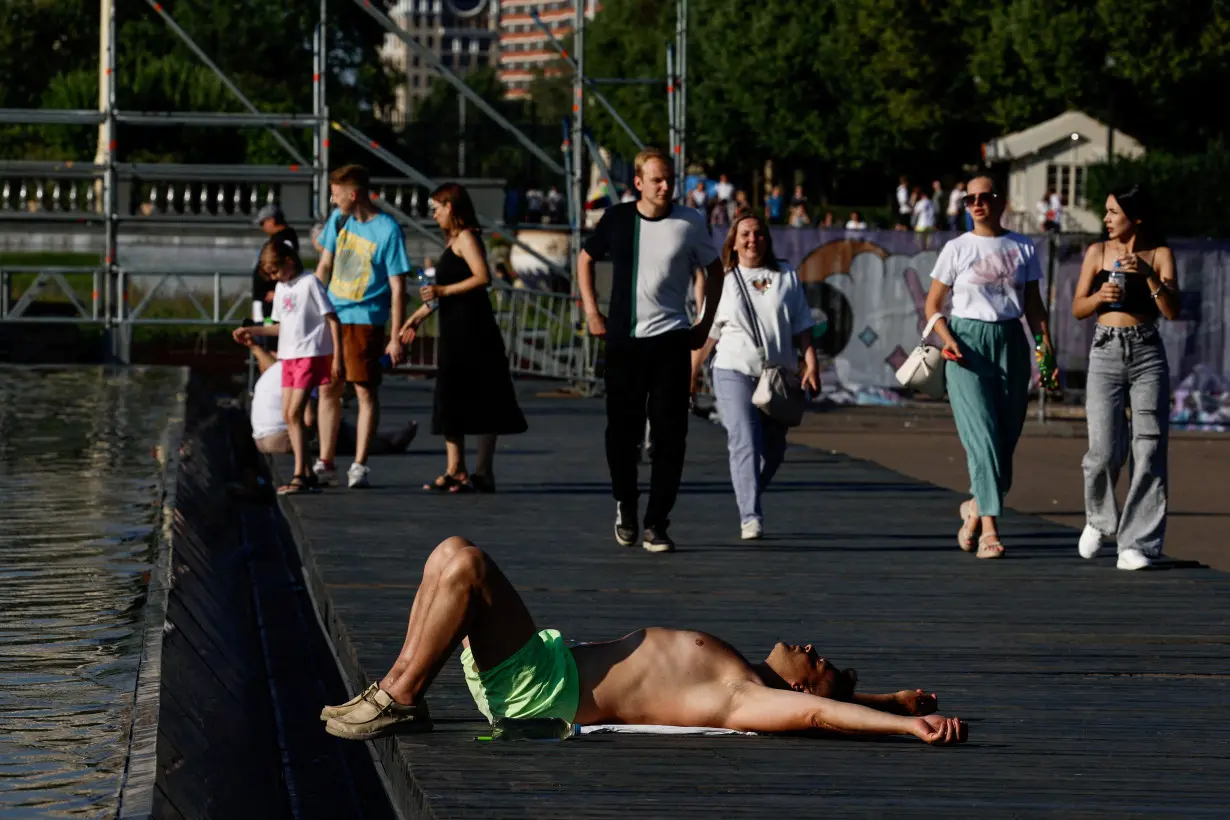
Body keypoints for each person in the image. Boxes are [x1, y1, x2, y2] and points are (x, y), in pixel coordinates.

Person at [320, 537, 969, 745]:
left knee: (467, 566)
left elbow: (821, 712)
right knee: (449, 553)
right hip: (546, 668)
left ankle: (399, 695)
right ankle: (396, 689)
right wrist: (893, 702)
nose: (808, 644)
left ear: (798, 684)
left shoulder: (740, 696)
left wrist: (906, 731)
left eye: (816, 660)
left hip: (542, 691)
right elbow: (830, 699)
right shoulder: (739, 671)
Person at [577, 147, 725, 553]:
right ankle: (625, 502)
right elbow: (585, 259)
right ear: (638, 182)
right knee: (621, 434)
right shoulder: (618, 218)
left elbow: (715, 270)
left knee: (669, 435)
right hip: (624, 341)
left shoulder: (690, 222)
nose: (665, 186)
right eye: (657, 179)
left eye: (670, 179)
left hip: (672, 341)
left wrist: (705, 323)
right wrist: (592, 312)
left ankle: (657, 522)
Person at [924, 176, 1055, 559]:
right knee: (982, 437)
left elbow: (1034, 307)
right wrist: (947, 339)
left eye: (985, 197)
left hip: (1011, 342)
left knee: (1004, 442)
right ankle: (990, 531)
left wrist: (1046, 353)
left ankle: (974, 509)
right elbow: (933, 305)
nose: (977, 203)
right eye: (970, 199)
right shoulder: (956, 248)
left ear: (1000, 201)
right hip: (965, 345)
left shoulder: (1023, 246)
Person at [690, 215, 820, 540]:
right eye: (745, 234)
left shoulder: (786, 274)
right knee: (744, 439)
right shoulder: (723, 279)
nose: (752, 240)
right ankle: (750, 515)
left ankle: (748, 489)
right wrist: (690, 372)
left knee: (774, 451)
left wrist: (810, 363)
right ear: (733, 242)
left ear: (767, 240)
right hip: (733, 368)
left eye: (758, 234)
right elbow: (707, 334)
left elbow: (803, 324)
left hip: (777, 375)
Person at [1071, 185, 1179, 570]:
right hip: (1106, 350)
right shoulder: (1097, 252)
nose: (1106, 219)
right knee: (1102, 450)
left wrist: (1149, 276)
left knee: (1148, 447)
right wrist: (1100, 296)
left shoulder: (1160, 255)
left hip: (1147, 351)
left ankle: (1137, 544)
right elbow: (1078, 308)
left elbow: (1171, 311)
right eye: (1107, 212)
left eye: (1113, 212)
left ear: (1135, 218)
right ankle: (1099, 520)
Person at [400, 183, 527, 494]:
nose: (434, 215)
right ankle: (455, 468)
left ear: (450, 207)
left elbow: (482, 277)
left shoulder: (467, 238)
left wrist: (442, 291)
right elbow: (440, 296)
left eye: (436, 209)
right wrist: (415, 319)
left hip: (475, 330)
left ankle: (482, 471)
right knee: (450, 395)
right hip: (455, 330)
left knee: (484, 397)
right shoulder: (452, 242)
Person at [313, 165, 410, 490]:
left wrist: (395, 336)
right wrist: (309, 303)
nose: (332, 198)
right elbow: (324, 264)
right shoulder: (338, 222)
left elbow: (398, 287)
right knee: (328, 387)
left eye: (336, 193)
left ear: (353, 194)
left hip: (366, 318)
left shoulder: (387, 230)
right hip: (334, 315)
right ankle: (325, 460)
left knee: (364, 389)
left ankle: (360, 463)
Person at [234, 240, 342, 495]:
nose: (274, 277)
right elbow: (280, 325)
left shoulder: (309, 283)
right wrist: (252, 330)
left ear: (289, 261)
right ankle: (304, 470)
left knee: (294, 413)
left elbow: (332, 320)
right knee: (288, 415)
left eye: (276, 271)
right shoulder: (282, 288)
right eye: (270, 274)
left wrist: (337, 356)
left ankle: (299, 474)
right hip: (289, 356)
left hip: (309, 354)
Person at [240, 333, 417, 457]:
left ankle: (382, 439)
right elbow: (309, 419)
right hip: (279, 439)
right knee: (333, 429)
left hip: (261, 439)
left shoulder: (287, 366)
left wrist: (255, 347)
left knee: (330, 419)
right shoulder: (309, 371)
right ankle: (386, 444)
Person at [251, 203, 299, 323]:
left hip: (272, 302)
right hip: (265, 301)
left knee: (268, 335)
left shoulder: (285, 241)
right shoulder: (275, 240)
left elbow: (287, 270)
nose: (262, 228)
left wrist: (278, 292)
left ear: (272, 220)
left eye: (263, 223)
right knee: (261, 331)